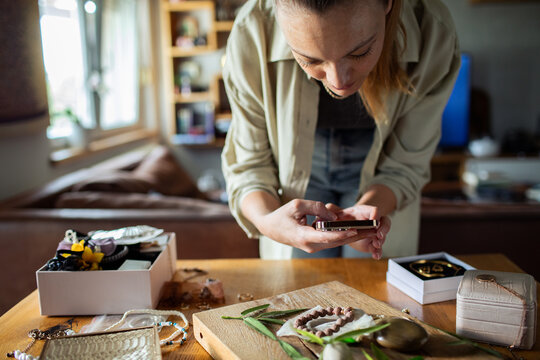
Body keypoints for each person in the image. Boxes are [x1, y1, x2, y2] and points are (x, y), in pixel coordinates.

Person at [221, 0, 460, 260]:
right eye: (309, 60)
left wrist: (371, 210)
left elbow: (406, 165)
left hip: (378, 165)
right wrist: (267, 220)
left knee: (377, 291)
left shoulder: (433, 30)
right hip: (292, 168)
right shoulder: (251, 30)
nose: (339, 82)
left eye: (359, 53)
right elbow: (249, 166)